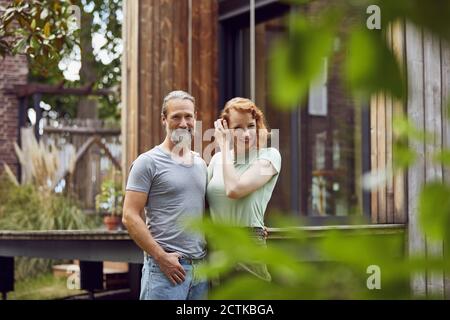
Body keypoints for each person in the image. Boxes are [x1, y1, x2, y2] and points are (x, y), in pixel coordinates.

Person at [122, 90, 208, 300]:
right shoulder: (148, 162)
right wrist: (161, 257)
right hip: (165, 271)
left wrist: (253, 228)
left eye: (188, 116)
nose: (183, 122)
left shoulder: (200, 163)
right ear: (163, 120)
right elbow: (129, 215)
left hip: (201, 271)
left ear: (195, 117)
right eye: (176, 116)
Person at [206, 97, 282, 281]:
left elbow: (234, 190)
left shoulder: (269, 156)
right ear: (225, 129)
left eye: (250, 125)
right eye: (238, 128)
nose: (246, 133)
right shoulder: (216, 161)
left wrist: (223, 146)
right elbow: (203, 204)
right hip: (216, 247)